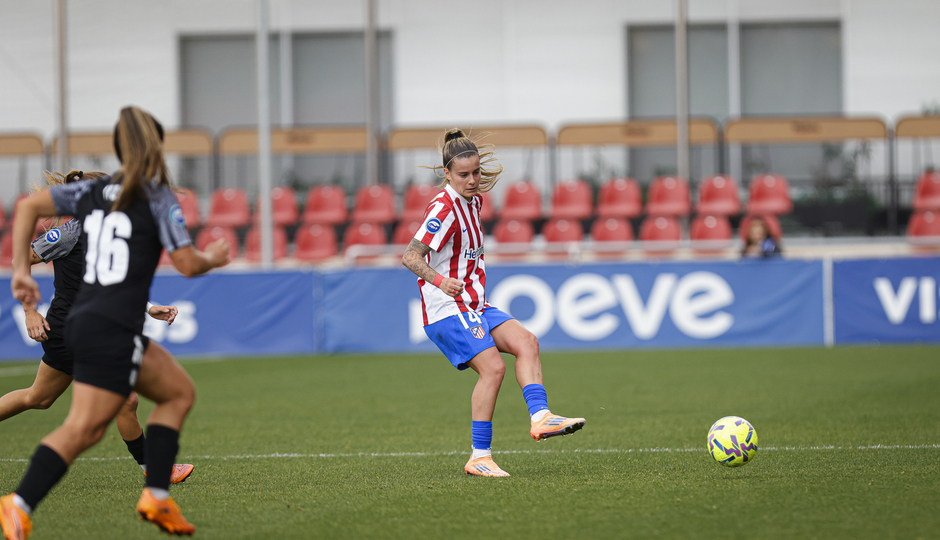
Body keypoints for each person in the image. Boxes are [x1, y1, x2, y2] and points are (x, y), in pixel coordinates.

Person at [1, 106, 230, 540]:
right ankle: (21, 503)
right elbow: (187, 263)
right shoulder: (155, 196)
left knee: (165, 395)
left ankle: (155, 495)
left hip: (92, 322)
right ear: (156, 145)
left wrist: (18, 275)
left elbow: (30, 206)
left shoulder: (92, 195)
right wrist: (211, 259)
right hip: (106, 327)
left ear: (119, 148)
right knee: (90, 424)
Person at [401, 129, 585, 478]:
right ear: (447, 174)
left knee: (527, 341)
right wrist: (441, 281)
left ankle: (541, 417)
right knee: (493, 368)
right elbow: (411, 256)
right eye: (464, 175)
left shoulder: (476, 201)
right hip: (447, 309)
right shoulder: (444, 207)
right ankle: (479, 456)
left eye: (476, 173)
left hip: (475, 304)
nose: (472, 181)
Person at [0, 170, 194, 487]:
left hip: (88, 329)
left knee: (39, 397)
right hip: (68, 329)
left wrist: (148, 308)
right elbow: (21, 257)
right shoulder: (71, 232)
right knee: (126, 399)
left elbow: (106, 285)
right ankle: (156, 469)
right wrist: (30, 309)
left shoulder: (108, 232)